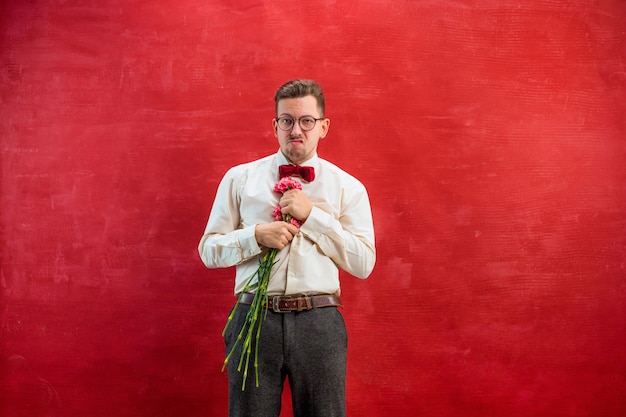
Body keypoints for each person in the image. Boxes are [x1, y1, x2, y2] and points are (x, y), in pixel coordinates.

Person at [198, 79, 376, 417]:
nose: (297, 129)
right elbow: (208, 249)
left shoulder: (348, 188)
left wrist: (313, 217)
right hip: (253, 319)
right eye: (287, 120)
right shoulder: (239, 179)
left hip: (319, 323)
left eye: (307, 121)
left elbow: (364, 262)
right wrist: (254, 236)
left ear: (323, 127)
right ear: (275, 126)